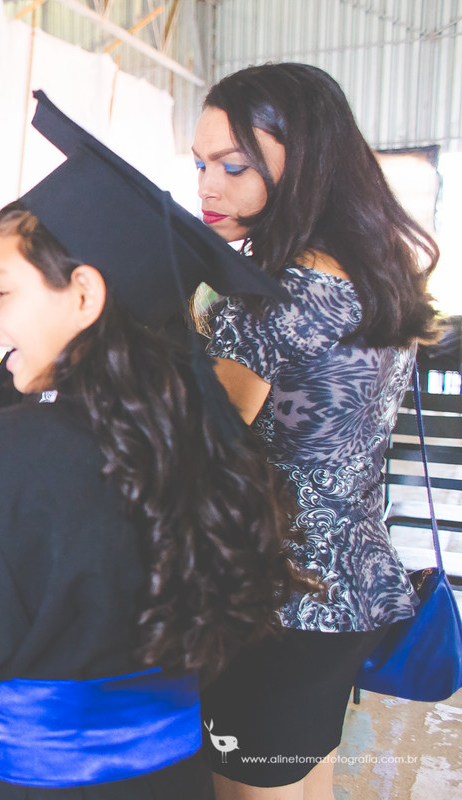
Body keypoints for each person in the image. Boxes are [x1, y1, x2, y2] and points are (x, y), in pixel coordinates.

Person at [0, 91, 307, 800]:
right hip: (174, 780)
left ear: (83, 295)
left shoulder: (3, 460)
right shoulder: (209, 443)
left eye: (4, 290)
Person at [192, 63, 439, 798]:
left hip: (275, 598)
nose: (208, 186)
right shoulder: (373, 273)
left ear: (303, 164)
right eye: (201, 163)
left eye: (234, 166)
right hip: (354, 587)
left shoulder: (272, 292)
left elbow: (206, 440)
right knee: (306, 783)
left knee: (248, 788)